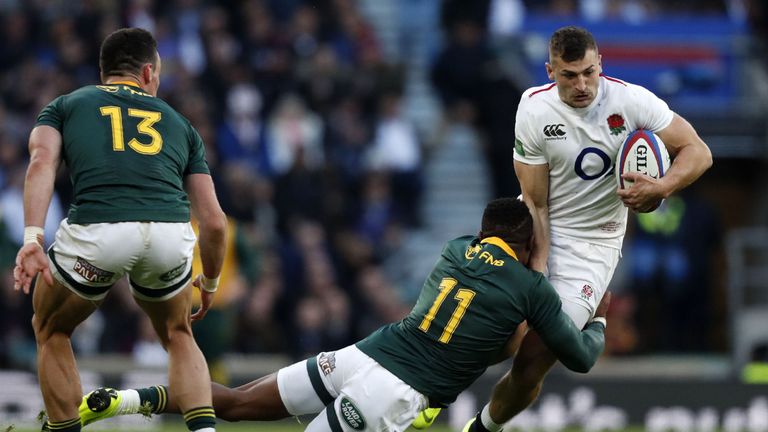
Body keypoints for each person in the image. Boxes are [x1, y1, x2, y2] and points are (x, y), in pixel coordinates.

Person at [77, 197, 610, 431]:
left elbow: (489, 328)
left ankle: (124, 400)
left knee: (239, 404)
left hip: (363, 354)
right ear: (526, 244)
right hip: (396, 392)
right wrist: (598, 318)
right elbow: (577, 356)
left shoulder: (454, 249)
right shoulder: (530, 288)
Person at [463, 26, 713, 432]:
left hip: (595, 246)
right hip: (543, 228)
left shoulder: (631, 101)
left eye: (589, 72)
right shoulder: (533, 109)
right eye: (569, 75)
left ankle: (480, 429)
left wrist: (662, 187)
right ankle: (430, 391)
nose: (582, 84)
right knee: (496, 339)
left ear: (600, 66)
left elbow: (698, 151)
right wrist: (537, 269)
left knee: (533, 360)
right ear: (550, 71)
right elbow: (536, 202)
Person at [12, 28, 227, 432]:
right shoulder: (181, 124)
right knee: (179, 332)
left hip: (99, 231)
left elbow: (41, 164)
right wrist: (210, 282)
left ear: (103, 71)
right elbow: (214, 221)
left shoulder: (65, 105)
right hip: (168, 233)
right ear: (148, 72)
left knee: (51, 327)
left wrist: (32, 237)